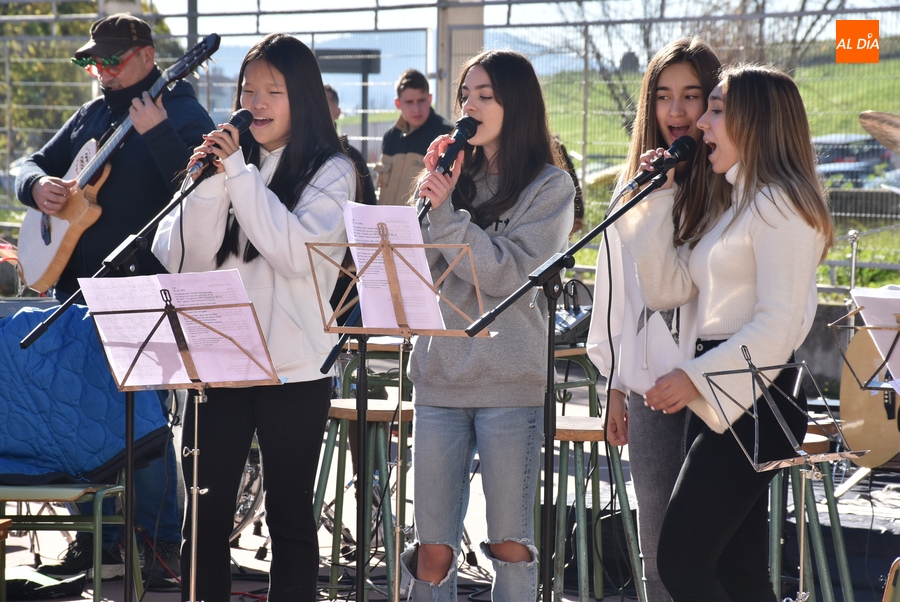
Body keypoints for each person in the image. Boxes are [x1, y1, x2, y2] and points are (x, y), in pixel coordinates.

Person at [615, 64, 834, 601]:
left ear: (754, 121)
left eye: (715, 110)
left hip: (759, 395)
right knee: (738, 573)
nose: (700, 124)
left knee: (682, 562)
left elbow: (778, 324)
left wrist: (694, 376)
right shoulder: (739, 204)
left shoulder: (781, 204)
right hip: (725, 393)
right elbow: (669, 289)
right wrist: (657, 198)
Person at [151, 33, 356, 601]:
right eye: (247, 90)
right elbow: (184, 257)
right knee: (205, 514)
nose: (256, 102)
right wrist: (210, 184)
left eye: (273, 91)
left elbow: (294, 254)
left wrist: (239, 174)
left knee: (290, 515)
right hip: (220, 361)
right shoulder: (226, 162)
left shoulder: (333, 169)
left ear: (303, 98)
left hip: (295, 367)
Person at [15, 13, 214, 589]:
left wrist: (157, 133)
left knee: (144, 423)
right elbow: (27, 164)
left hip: (143, 291)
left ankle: (159, 544)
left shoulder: (182, 112)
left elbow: (204, 190)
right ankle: (95, 538)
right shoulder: (90, 114)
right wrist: (36, 186)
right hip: (73, 293)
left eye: (112, 60)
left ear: (148, 57)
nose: (101, 70)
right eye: (92, 61)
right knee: (77, 417)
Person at [401, 50, 575, 601]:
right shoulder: (452, 177)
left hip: (508, 380)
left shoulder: (550, 187)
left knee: (509, 543)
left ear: (515, 103)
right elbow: (417, 268)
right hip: (439, 376)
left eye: (485, 95)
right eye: (465, 95)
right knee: (432, 548)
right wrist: (432, 193)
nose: (469, 106)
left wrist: (448, 214)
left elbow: (507, 274)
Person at [586, 37, 726, 602]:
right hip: (649, 395)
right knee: (658, 552)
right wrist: (614, 388)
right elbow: (614, 299)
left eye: (692, 95)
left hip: (714, 391)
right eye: (663, 96)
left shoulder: (729, 191)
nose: (676, 110)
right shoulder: (635, 190)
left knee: (711, 558)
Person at [374, 68, 452, 206]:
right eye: (409, 102)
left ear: (430, 99)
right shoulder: (390, 137)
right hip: (385, 219)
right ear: (398, 103)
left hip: (423, 220)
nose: (416, 109)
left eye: (421, 100)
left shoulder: (445, 135)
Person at [324, 83, 376, 205]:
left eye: (324, 104)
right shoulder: (296, 153)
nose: (317, 109)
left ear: (338, 113)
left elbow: (368, 206)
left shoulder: (353, 159)